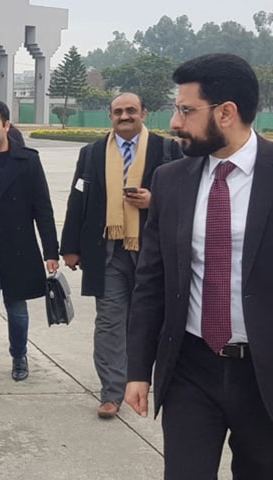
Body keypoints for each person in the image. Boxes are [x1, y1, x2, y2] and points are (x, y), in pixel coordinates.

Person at [125, 53, 273, 478]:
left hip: (263, 373)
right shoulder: (171, 181)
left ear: (227, 112)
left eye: (186, 110)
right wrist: (137, 370)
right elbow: (151, 282)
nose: (174, 122)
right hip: (191, 367)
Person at [60, 92, 181, 419]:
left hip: (153, 252)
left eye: (131, 110)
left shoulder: (168, 150)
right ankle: (112, 391)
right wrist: (69, 246)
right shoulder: (92, 153)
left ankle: (156, 380)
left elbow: (188, 199)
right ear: (110, 116)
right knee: (111, 322)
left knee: (153, 318)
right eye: (118, 111)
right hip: (107, 251)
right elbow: (77, 199)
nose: (124, 116)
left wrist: (154, 200)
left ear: (143, 112)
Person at [0, 99, 59, 401]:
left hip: (19, 250)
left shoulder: (27, 161)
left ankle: (19, 355)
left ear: (6, 125)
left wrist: (51, 252)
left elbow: (42, 209)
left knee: (17, 313)